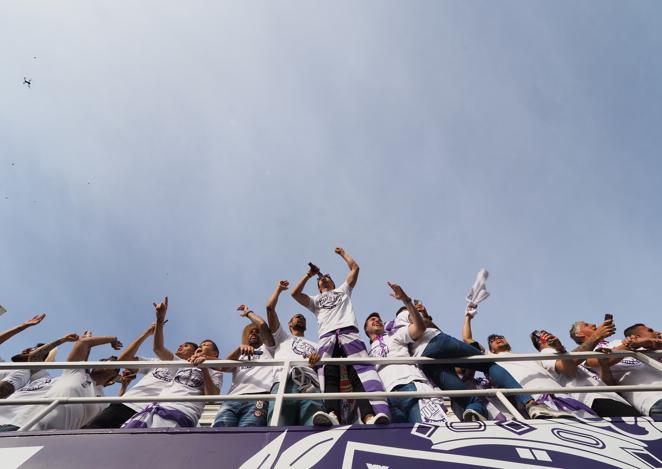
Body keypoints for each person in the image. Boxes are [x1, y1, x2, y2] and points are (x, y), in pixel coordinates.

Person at [398, 302, 567, 420]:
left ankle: (474, 412)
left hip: (424, 358)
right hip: (436, 343)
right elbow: (426, 326)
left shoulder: (393, 331)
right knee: (488, 364)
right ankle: (530, 403)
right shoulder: (407, 314)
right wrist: (424, 315)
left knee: (462, 396)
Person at [291, 247, 390, 425]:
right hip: (327, 339)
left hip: (349, 334)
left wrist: (343, 254)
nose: (323, 279)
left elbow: (355, 269)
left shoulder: (343, 291)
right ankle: (332, 415)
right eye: (320, 279)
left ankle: (369, 416)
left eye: (326, 277)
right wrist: (309, 274)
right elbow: (295, 294)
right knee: (330, 375)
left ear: (333, 282)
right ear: (318, 286)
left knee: (358, 374)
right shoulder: (315, 301)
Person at [121, 297, 222, 429]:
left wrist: (204, 368)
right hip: (153, 409)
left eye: (206, 344)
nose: (202, 345)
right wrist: (160, 320)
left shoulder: (216, 370)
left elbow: (211, 398)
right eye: (201, 344)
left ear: (215, 354)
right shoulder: (180, 363)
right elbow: (158, 348)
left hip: (181, 412)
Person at [365, 282, 441, 423]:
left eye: (379, 319)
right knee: (401, 443)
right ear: (366, 330)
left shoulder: (394, 334)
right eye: (372, 320)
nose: (377, 320)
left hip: (411, 385)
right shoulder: (365, 353)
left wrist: (406, 301)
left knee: (430, 431)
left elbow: (419, 328)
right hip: (387, 398)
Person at [23, 331, 122, 431]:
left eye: (109, 361)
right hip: (30, 428)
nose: (104, 362)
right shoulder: (76, 371)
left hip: (56, 440)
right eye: (102, 360)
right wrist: (113, 339)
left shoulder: (104, 402)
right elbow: (83, 343)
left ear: (115, 374)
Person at [530, 329, 639, 417]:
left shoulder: (561, 353)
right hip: (596, 399)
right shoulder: (546, 354)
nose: (552, 336)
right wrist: (595, 336)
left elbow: (606, 383)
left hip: (611, 398)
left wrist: (604, 365)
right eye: (547, 335)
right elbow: (567, 367)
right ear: (540, 341)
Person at [265, 280, 325, 426]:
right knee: (278, 426)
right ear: (289, 324)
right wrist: (278, 289)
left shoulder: (316, 345)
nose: (302, 318)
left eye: (304, 318)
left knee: (313, 426)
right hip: (284, 381)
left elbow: (324, 367)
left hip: (310, 384)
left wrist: (317, 361)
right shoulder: (282, 337)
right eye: (298, 317)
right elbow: (269, 309)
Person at [213, 306, 275, 427]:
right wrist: (239, 349)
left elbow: (262, 325)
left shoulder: (269, 349)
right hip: (232, 399)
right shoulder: (240, 356)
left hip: (258, 397)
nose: (253, 333)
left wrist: (248, 314)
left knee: (248, 436)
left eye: (256, 331)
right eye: (250, 332)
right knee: (219, 435)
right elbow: (223, 367)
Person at [0, 313, 47, 398]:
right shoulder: (5, 365)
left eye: (34, 349)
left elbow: (3, 389)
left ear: (39, 359)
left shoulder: (22, 371)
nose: (27, 349)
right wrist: (23, 326)